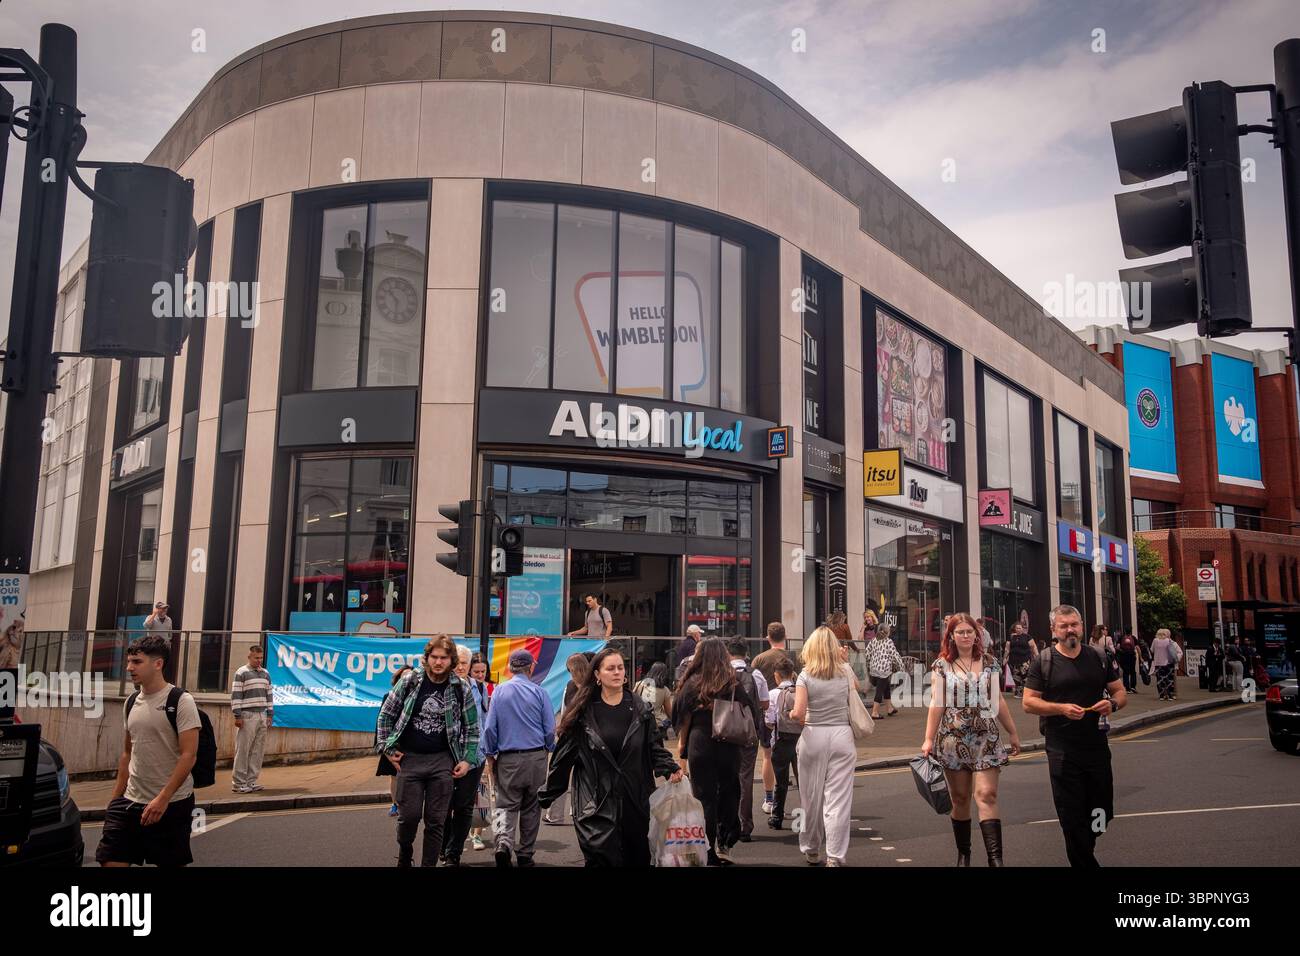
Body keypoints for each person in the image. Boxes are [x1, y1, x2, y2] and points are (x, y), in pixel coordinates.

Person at [538, 648, 682, 866]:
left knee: (638, 859)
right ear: (597, 674)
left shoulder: (639, 707)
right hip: (596, 806)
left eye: (620, 668)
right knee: (602, 860)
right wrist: (547, 793)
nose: (617, 672)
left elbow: (653, 746)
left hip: (636, 801)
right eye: (610, 668)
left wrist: (669, 766)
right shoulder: (583, 712)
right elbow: (564, 757)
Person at [1022, 604, 1126, 868]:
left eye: (1074, 624)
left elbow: (1120, 693)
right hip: (1062, 749)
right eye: (1064, 625)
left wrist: (1112, 704)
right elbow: (1028, 703)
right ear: (1053, 630)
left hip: (1096, 745)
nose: (1070, 629)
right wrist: (1060, 709)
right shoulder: (1043, 661)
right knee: (1071, 814)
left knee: (1102, 810)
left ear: (1081, 626)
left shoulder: (1098, 657)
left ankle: (1084, 848)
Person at [921, 613, 1022, 866]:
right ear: (951, 636)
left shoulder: (990, 663)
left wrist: (1013, 732)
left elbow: (998, 700)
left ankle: (995, 860)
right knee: (961, 798)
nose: (966, 636)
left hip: (986, 737)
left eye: (970, 631)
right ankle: (964, 854)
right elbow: (936, 703)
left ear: (977, 634)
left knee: (986, 794)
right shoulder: (941, 666)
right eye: (960, 632)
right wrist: (928, 739)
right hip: (952, 740)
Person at [96, 634, 201, 867]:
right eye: (129, 661)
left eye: (136, 662)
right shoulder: (131, 701)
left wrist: (163, 798)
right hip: (129, 801)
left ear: (158, 664)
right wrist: (115, 799)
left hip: (172, 804)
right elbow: (127, 753)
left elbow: (189, 755)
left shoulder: (181, 701)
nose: (129, 667)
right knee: (110, 861)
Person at [376, 635, 479, 867]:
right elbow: (386, 715)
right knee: (408, 817)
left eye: (444, 657)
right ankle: (405, 852)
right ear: (427, 658)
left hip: (442, 760)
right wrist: (387, 748)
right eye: (434, 657)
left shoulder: (461, 687)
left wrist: (468, 759)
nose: (438, 662)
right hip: (410, 759)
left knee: (436, 821)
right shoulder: (411, 680)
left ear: (451, 660)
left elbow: (472, 728)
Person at [673, 637, 753, 865]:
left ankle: (706, 849)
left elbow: (682, 717)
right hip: (729, 743)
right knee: (729, 792)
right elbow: (750, 710)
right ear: (723, 655)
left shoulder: (692, 682)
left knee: (703, 798)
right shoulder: (732, 681)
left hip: (700, 743)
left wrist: (682, 745)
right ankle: (724, 843)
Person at [788, 626, 857, 867]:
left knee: (810, 798)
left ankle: (811, 848)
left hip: (813, 735)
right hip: (842, 736)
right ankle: (836, 856)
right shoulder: (845, 670)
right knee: (838, 801)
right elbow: (860, 690)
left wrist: (790, 712)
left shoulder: (805, 675)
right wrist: (845, 661)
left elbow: (798, 714)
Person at [481, 648, 555, 867]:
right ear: (531, 667)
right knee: (532, 807)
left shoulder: (500, 691)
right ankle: (525, 853)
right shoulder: (540, 692)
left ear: (511, 667)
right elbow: (550, 729)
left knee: (504, 805)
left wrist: (490, 755)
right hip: (536, 757)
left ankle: (502, 844)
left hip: (508, 759)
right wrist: (548, 749)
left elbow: (490, 729)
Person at [441, 646, 490, 866]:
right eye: (457, 662)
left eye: (464, 663)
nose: (461, 667)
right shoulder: (442, 687)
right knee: (443, 806)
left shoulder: (479, 687)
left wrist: (487, 755)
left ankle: (453, 853)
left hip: (474, 758)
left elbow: (484, 722)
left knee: (464, 806)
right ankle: (443, 847)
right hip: (446, 758)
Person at [752, 620, 799, 814]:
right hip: (791, 712)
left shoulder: (759, 659)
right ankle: (807, 799)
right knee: (796, 756)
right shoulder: (793, 657)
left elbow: (753, 687)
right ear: (785, 636)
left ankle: (770, 799)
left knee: (768, 756)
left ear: (768, 637)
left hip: (767, 712)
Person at [727, 638, 768, 842]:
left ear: (729, 653)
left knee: (725, 778)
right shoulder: (756, 674)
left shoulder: (721, 673)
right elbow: (765, 704)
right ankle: (745, 826)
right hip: (748, 733)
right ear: (746, 653)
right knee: (745, 779)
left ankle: (727, 823)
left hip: (724, 733)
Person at [544, 653, 591, 826]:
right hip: (588, 737)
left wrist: (560, 730)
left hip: (569, 736)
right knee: (584, 775)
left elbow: (564, 712)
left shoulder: (570, 686)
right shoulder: (594, 684)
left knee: (560, 774)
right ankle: (578, 810)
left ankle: (555, 815)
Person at [230, 644, 273, 794]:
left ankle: (251, 781)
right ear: (249, 657)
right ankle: (239, 783)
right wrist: (238, 715)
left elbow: (269, 694)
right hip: (247, 715)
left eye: (261, 658)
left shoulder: (266, 674)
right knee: (243, 750)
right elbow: (236, 695)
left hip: (262, 714)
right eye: (256, 658)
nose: (259, 660)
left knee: (257, 750)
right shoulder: (241, 673)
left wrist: (269, 714)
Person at [765, 656, 800, 830]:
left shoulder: (772, 694)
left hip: (781, 741)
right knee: (804, 781)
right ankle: (812, 815)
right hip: (801, 740)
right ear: (792, 674)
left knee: (781, 782)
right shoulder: (801, 692)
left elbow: (770, 722)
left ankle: (777, 817)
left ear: (776, 675)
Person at [376, 666, 413, 817]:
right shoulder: (389, 696)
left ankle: (409, 804)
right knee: (394, 775)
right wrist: (383, 745)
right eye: (404, 676)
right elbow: (382, 719)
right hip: (394, 742)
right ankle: (395, 804)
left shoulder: (416, 697)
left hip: (410, 742)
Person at [865, 620, 902, 719]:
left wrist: (869, 665)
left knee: (886, 688)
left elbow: (867, 654)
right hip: (884, 670)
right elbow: (895, 656)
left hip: (874, 669)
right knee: (879, 691)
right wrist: (901, 667)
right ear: (888, 632)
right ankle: (875, 712)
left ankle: (889, 708)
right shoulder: (888, 642)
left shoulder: (873, 640)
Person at [632, 661, 673, 738]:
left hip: (641, 722)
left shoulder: (639, 684)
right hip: (657, 725)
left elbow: (632, 701)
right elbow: (669, 711)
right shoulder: (665, 690)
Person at [1003, 623, 1039, 699]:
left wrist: (1037, 656)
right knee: (1016, 677)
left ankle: (1027, 693)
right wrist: (1005, 658)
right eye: (1017, 628)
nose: (1018, 629)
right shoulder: (1011, 637)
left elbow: (1033, 647)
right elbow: (1007, 649)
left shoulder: (1027, 637)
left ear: (1022, 629)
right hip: (1014, 660)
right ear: (1015, 629)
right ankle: (1018, 693)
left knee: (1025, 676)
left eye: (1020, 628)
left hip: (1025, 660)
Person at [1152, 628, 1181, 700]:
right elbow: (1172, 651)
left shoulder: (1155, 641)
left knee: (1160, 680)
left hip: (1158, 663)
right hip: (1168, 663)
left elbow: (1152, 650)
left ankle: (1161, 695)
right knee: (1169, 680)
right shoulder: (1168, 641)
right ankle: (1170, 695)